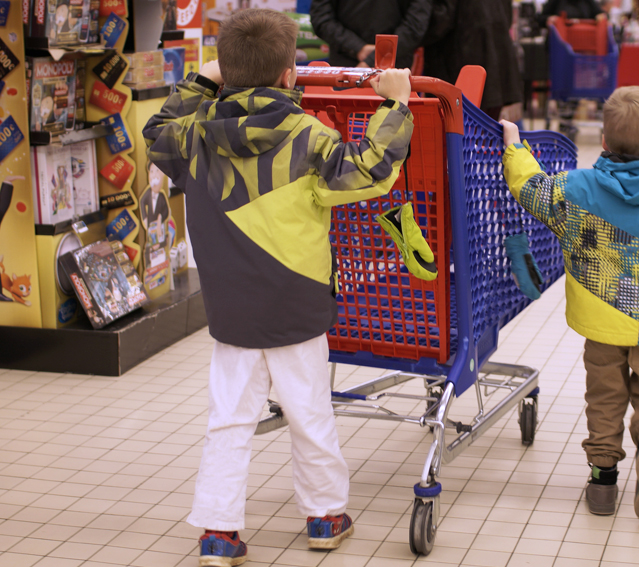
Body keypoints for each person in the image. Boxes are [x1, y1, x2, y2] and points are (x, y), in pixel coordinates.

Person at [143, 9, 415, 566]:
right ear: (291, 75)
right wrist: (397, 104)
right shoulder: (308, 136)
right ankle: (325, 515)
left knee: (229, 418)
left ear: (227, 71)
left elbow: (155, 135)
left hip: (231, 307)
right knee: (309, 411)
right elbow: (370, 171)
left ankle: (218, 531)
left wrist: (200, 80)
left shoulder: (192, 137)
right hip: (296, 300)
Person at [500, 86, 639, 520]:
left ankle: (602, 479)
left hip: (601, 321)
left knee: (604, 394)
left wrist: (515, 146)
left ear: (602, 141)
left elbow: (530, 188)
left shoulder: (576, 189)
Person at [423, 0, 522, 120]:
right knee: (485, 131)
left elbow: (439, 21)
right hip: (496, 67)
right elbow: (508, 16)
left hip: (462, 69)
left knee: (458, 132)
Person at [310, 0, 432, 69]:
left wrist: (369, 57)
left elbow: (415, 25)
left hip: (392, 72)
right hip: (348, 70)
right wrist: (359, 49)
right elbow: (321, 19)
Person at [539, 0, 604, 24]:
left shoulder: (588, 2)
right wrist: (549, 18)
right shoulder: (556, 1)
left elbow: (600, 14)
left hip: (585, 41)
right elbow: (540, 17)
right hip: (559, 42)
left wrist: (600, 16)